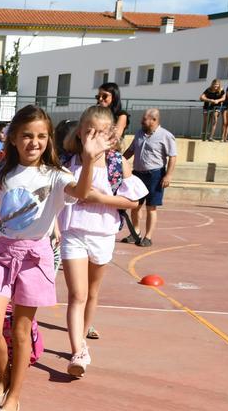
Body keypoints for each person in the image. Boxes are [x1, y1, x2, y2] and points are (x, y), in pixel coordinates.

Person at [0, 104, 105, 411]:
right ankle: (6, 377)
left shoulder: (58, 175)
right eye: (26, 136)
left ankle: (15, 395)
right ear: (14, 139)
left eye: (41, 136)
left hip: (36, 258)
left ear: (49, 139)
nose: (34, 142)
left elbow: (81, 191)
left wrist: (88, 159)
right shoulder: (5, 173)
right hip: (5, 255)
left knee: (21, 332)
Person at [58, 106, 148, 376]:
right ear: (80, 131)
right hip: (74, 232)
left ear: (110, 135)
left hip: (103, 233)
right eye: (88, 131)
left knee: (92, 293)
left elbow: (133, 202)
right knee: (77, 294)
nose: (93, 137)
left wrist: (101, 199)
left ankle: (83, 337)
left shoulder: (117, 163)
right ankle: (78, 351)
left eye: (99, 132)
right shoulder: (69, 159)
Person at [123, 108, 178, 247]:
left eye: (144, 118)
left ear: (154, 120)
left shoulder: (166, 135)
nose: (141, 121)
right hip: (138, 174)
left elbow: (173, 156)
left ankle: (148, 237)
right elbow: (130, 150)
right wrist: (119, 160)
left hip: (155, 175)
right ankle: (135, 232)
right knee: (135, 205)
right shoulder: (139, 133)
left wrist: (168, 175)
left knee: (151, 207)